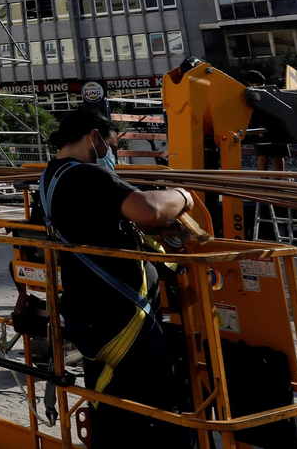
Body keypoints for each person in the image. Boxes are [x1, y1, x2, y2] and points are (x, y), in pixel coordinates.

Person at [41, 109, 194, 448]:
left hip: (92, 312)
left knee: (113, 399)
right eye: (109, 145)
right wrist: (184, 196)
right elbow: (148, 209)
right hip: (122, 316)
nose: (110, 154)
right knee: (162, 405)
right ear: (93, 138)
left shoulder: (51, 176)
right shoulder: (85, 175)